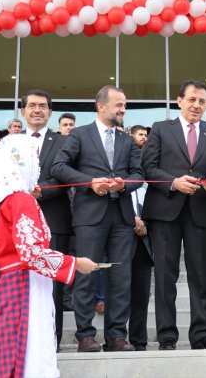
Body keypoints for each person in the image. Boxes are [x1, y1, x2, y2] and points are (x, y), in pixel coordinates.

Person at [0, 135, 98, 377]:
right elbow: (32, 253)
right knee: (31, 356)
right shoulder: (21, 201)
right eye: (33, 160)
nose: (36, 166)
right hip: (24, 288)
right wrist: (76, 263)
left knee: (2, 361)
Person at [52, 85, 144, 353]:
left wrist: (123, 184)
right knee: (87, 275)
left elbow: (139, 175)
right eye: (119, 105)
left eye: (124, 105)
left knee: (120, 277)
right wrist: (89, 182)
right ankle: (85, 336)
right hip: (90, 217)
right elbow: (59, 167)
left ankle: (116, 336)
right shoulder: (80, 134)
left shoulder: (128, 140)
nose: (123, 109)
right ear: (101, 106)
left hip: (122, 217)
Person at [142, 79, 206, 350]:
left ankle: (201, 334)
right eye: (192, 100)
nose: (197, 106)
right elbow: (148, 168)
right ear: (179, 101)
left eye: (202, 101)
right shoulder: (160, 129)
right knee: (166, 276)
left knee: (200, 276)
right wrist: (173, 182)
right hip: (165, 210)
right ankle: (167, 336)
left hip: (199, 212)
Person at [20, 89, 75, 348]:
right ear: (23, 112)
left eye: (43, 106)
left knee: (53, 284)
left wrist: (42, 190)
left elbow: (66, 175)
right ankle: (23, 339)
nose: (37, 110)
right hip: (19, 224)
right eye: (32, 105)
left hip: (55, 218)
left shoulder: (64, 142)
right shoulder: (10, 142)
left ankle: (51, 341)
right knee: (22, 282)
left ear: (50, 113)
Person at [128, 125, 153, 351]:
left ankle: (139, 341)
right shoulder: (121, 179)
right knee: (118, 293)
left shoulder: (150, 184)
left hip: (145, 242)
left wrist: (146, 223)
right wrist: (132, 219)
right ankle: (115, 339)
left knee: (141, 296)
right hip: (120, 239)